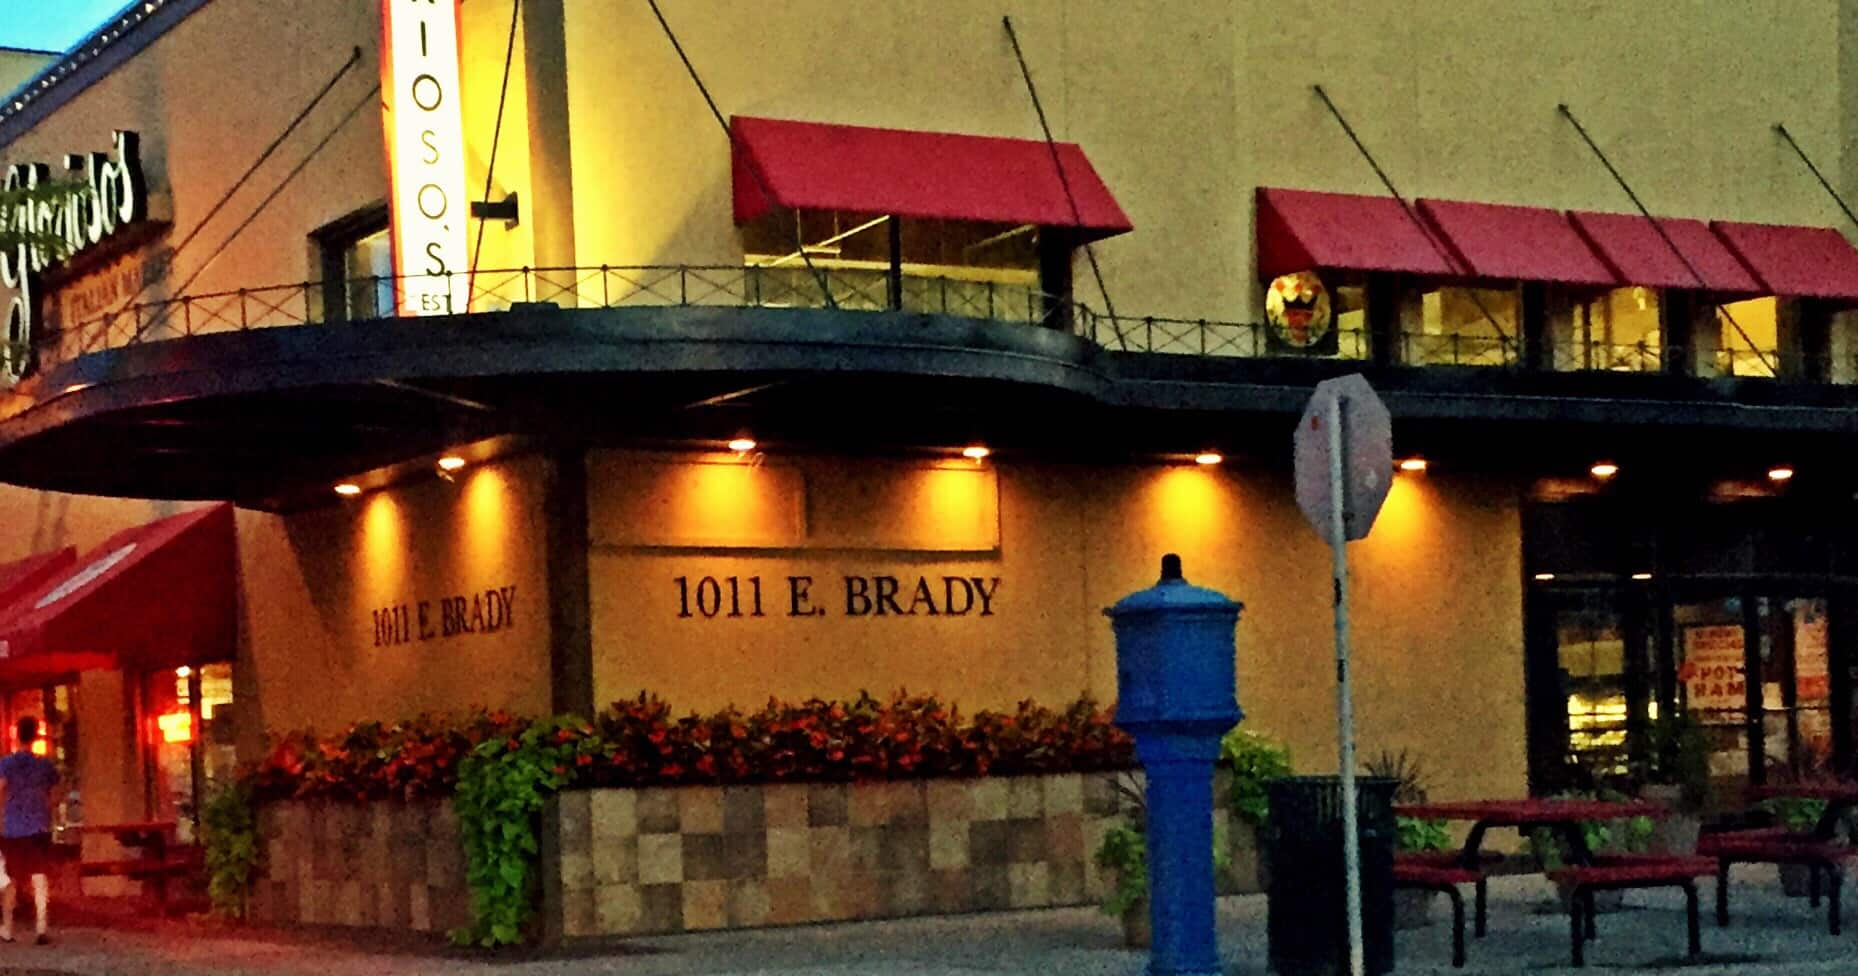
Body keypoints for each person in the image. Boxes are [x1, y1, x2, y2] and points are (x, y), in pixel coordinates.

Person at [0, 718, 59, 944]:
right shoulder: (44, 765)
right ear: (36, 736)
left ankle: (7, 928)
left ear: (17, 734)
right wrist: (48, 812)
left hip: (13, 827)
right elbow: (54, 794)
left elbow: (1, 789)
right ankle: (41, 926)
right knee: (39, 876)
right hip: (39, 825)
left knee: (12, 880)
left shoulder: (6, 764)